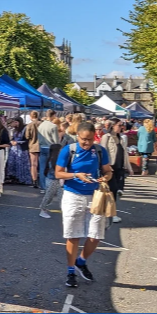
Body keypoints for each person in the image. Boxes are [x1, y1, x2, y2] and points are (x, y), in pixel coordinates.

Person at [55, 122, 112, 288]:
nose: (86, 143)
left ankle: (81, 261)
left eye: (89, 139)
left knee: (95, 235)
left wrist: (105, 177)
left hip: (95, 196)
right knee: (73, 235)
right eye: (82, 139)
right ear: (77, 136)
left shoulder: (100, 151)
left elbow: (108, 170)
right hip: (73, 195)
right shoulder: (69, 150)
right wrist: (75, 175)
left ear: (95, 136)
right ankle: (70, 271)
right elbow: (58, 173)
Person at [101, 118, 133, 224]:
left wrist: (129, 167)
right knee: (112, 190)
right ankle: (110, 214)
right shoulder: (106, 137)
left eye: (122, 125)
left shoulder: (121, 138)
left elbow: (125, 154)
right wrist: (105, 166)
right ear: (113, 125)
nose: (122, 127)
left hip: (119, 167)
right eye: (119, 125)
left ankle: (110, 213)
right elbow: (102, 152)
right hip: (110, 168)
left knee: (114, 191)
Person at [37, 110, 59, 194]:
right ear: (53, 115)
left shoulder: (40, 125)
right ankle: (51, 187)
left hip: (42, 147)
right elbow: (56, 141)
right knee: (51, 168)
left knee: (42, 168)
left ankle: (43, 187)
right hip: (51, 148)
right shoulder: (53, 126)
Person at [6, 117, 31, 185]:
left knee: (21, 164)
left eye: (16, 122)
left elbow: (27, 140)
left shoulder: (24, 129)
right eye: (14, 122)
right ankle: (14, 177)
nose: (15, 124)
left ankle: (23, 179)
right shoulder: (14, 130)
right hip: (14, 148)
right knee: (12, 163)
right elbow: (12, 138)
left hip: (21, 149)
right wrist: (11, 141)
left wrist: (18, 142)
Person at [24, 111, 42, 189]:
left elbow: (27, 136)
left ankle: (34, 181)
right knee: (42, 164)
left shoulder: (30, 125)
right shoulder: (42, 124)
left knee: (33, 165)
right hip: (42, 145)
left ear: (31, 117)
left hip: (33, 146)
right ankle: (42, 181)